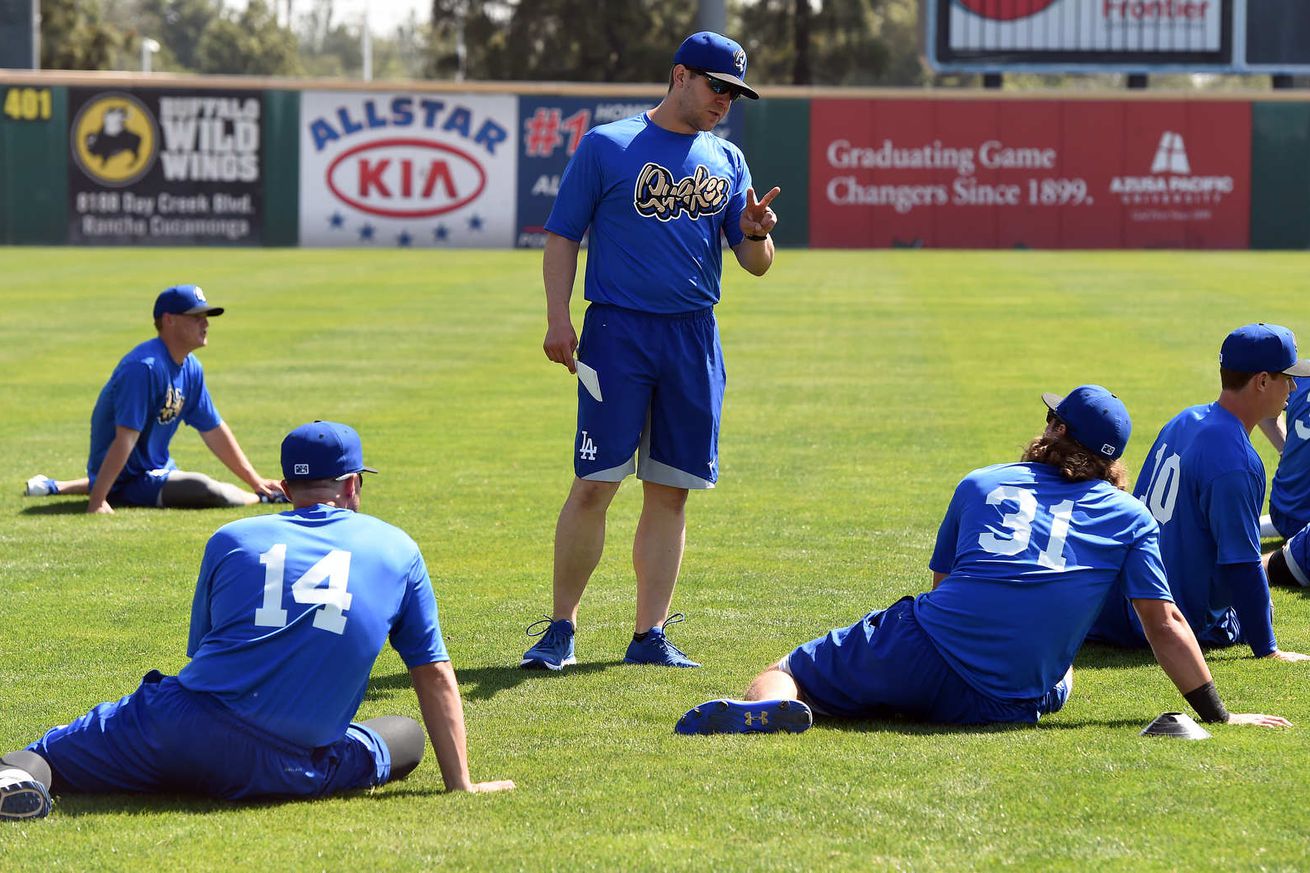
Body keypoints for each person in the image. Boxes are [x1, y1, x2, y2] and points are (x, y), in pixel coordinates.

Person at [676, 386, 1291, 735]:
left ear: (1053, 429)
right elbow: (1165, 624)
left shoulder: (983, 482)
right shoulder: (1127, 517)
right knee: (1062, 677)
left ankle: (770, 704)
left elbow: (944, 586)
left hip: (928, 648)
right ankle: (901, 696)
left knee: (794, 665)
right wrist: (1221, 714)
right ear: (1110, 459)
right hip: (1007, 699)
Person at [0, 421, 513, 820]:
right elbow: (433, 671)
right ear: (353, 485)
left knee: (42, 756)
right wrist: (461, 784)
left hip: (177, 730)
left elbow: (202, 652)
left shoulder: (233, 539)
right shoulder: (398, 548)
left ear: (288, 487)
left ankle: (12, 787)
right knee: (403, 736)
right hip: (289, 767)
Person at [521, 31, 780, 671]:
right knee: (594, 484)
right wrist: (559, 317)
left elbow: (755, 264)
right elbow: (562, 237)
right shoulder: (608, 145)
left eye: (734, 93)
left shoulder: (728, 159)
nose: (725, 101)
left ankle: (650, 635)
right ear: (680, 75)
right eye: (717, 86)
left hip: (694, 337)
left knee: (671, 491)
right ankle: (560, 629)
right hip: (617, 334)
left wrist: (754, 236)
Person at [1086, 324, 1310, 662]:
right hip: (1171, 621)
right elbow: (1242, 564)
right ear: (1262, 381)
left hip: (1121, 602)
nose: (1293, 387)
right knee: (1254, 606)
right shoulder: (1237, 461)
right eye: (1286, 377)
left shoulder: (1184, 419)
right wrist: (1268, 648)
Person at [22, 284, 285, 514]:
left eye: (206, 316)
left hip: (152, 471)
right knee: (205, 489)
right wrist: (98, 501)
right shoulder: (144, 368)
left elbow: (213, 429)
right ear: (169, 320)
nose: (205, 323)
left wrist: (255, 478)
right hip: (127, 479)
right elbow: (124, 438)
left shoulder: (191, 367)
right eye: (196, 317)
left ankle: (57, 486)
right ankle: (265, 499)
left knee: (189, 482)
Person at [1255, 376, 1310, 539]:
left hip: (1283, 509)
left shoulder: (1300, 375)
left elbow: (1260, 400)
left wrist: (1284, 450)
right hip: (1303, 520)